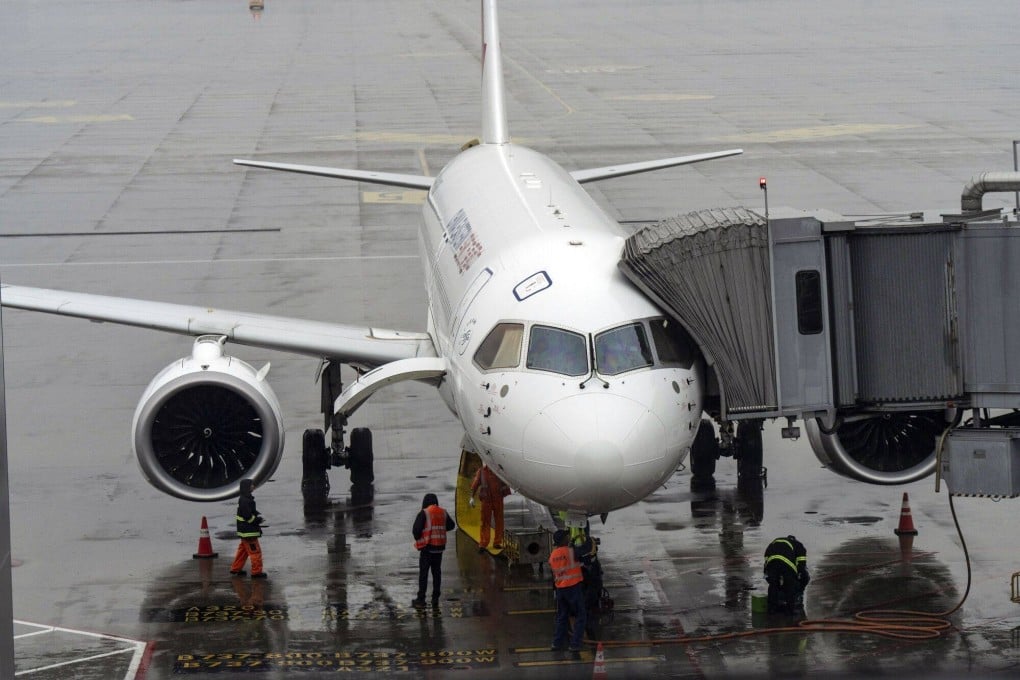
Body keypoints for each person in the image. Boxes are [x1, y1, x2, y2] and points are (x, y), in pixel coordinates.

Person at [411, 493, 455, 607]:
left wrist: (420, 537)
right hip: (439, 549)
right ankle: (435, 598)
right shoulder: (443, 512)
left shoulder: (424, 513)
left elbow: (416, 531)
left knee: (424, 574)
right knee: (436, 573)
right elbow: (451, 525)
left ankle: (421, 599)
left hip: (427, 548)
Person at [548, 529, 587, 653]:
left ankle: (556, 643)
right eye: (567, 537)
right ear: (563, 540)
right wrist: (590, 542)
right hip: (573, 587)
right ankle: (575, 644)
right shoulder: (570, 551)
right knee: (581, 615)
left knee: (562, 616)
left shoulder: (553, 555)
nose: (569, 537)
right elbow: (583, 552)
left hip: (560, 589)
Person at [763, 535, 810, 614]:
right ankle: (789, 610)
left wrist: (768, 575)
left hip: (771, 562)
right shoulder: (799, 545)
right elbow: (802, 565)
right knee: (790, 584)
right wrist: (799, 576)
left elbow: (766, 559)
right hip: (786, 563)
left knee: (773, 585)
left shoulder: (775, 541)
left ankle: (772, 609)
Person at [230, 478, 267, 578]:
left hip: (244, 532)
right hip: (249, 532)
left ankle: (235, 569)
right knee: (255, 552)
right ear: (247, 487)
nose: (253, 486)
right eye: (251, 485)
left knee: (243, 552)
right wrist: (257, 520)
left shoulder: (245, 498)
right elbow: (247, 516)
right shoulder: (245, 500)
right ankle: (256, 572)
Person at [469, 464, 511, 552]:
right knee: (485, 521)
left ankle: (497, 542)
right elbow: (475, 484)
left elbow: (507, 480)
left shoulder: (499, 469)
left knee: (499, 521)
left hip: (498, 499)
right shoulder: (481, 471)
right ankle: (483, 544)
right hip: (486, 500)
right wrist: (471, 497)